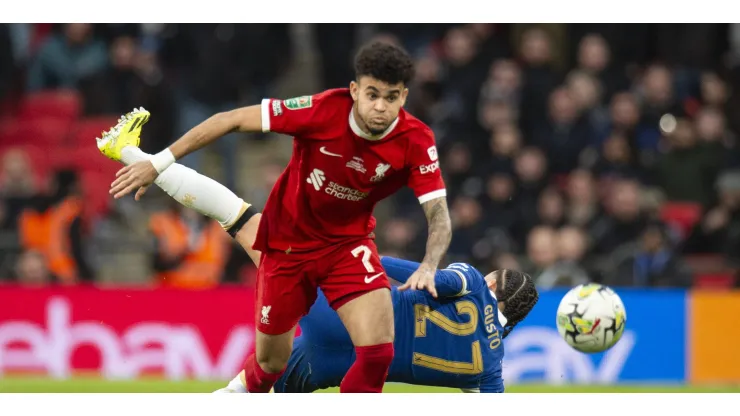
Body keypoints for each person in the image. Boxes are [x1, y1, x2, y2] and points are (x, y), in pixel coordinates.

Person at [101, 42, 452, 393]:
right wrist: (158, 161)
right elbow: (231, 119)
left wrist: (430, 263)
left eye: (390, 98)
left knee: (377, 353)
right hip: (287, 246)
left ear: (403, 97)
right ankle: (235, 393)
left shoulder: (416, 140)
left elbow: (438, 213)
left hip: (348, 245)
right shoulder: (322, 110)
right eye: (372, 94)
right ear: (355, 90)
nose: (379, 107)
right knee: (271, 364)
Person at [95, 128, 538, 393]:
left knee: (240, 217)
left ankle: (131, 153)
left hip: (348, 314)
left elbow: (428, 280)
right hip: (336, 364)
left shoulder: (474, 284)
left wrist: (352, 259)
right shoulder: (490, 370)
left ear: (497, 287)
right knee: (256, 394)